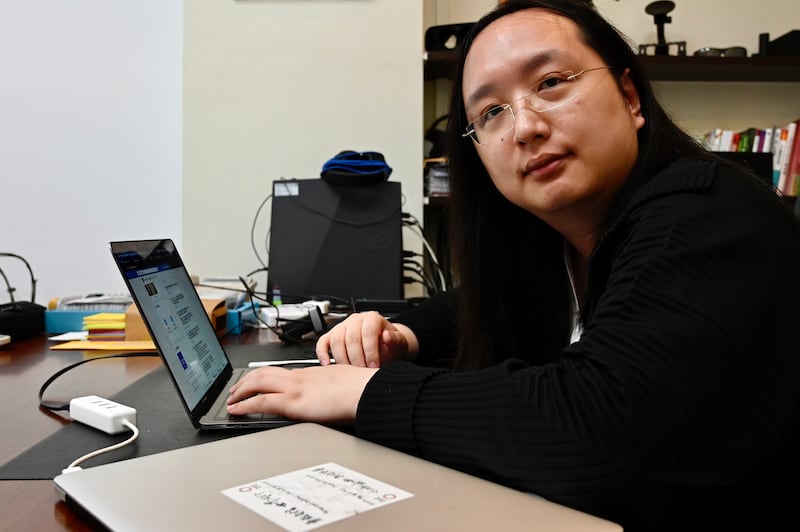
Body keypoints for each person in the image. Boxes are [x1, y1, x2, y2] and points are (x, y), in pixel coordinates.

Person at [227, 1, 800, 529]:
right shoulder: (558, 242)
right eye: (492, 111)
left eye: (551, 83)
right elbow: (479, 305)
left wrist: (365, 392)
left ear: (630, 96)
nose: (525, 126)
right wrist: (403, 335)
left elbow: (603, 433)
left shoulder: (708, 214)